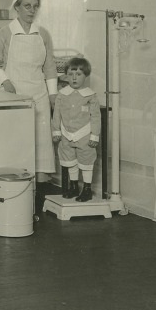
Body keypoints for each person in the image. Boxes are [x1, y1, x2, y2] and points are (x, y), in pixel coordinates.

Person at [0, 0, 58, 193]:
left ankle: (37, 196)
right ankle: (15, 191)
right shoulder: (3, 34)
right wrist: (5, 81)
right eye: (27, 6)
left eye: (35, 6)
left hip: (39, 96)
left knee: (40, 146)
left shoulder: (43, 34)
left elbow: (49, 67)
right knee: (15, 143)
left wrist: (53, 95)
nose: (32, 10)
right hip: (13, 97)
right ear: (17, 8)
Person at [51, 56, 101, 202]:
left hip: (84, 135)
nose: (74, 78)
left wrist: (94, 136)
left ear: (85, 76)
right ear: (66, 76)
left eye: (78, 74)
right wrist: (56, 132)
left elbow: (95, 117)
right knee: (70, 160)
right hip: (66, 134)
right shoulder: (62, 95)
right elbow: (57, 115)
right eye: (71, 74)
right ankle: (73, 187)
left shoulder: (90, 96)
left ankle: (87, 189)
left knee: (86, 161)